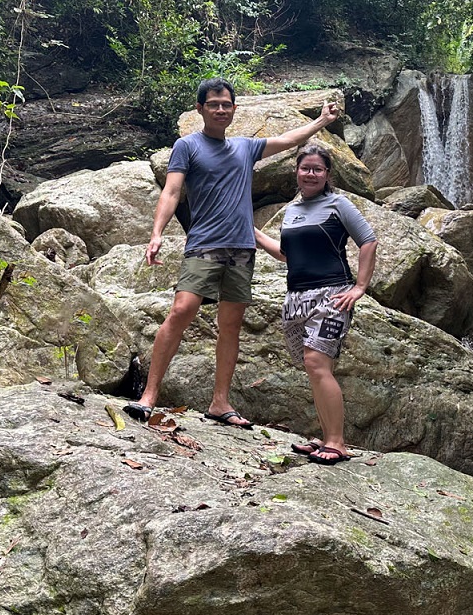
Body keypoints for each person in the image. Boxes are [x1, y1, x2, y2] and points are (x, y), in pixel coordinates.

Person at [123, 78, 339, 428]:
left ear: (234, 108)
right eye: (213, 104)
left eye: (226, 104)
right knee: (181, 310)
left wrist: (321, 121)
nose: (221, 110)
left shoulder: (245, 148)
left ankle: (220, 402)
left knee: (231, 326)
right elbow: (172, 191)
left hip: (241, 248)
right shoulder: (187, 146)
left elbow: (288, 141)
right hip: (204, 243)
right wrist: (157, 233)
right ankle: (148, 396)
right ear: (200, 109)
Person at [254, 144, 377, 464]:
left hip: (332, 295)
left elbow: (369, 241)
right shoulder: (292, 210)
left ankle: (337, 442)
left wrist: (360, 286)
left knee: (317, 364)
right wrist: (254, 233)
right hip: (296, 297)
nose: (310, 174)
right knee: (315, 368)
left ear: (327, 174)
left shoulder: (338, 204)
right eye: (305, 168)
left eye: (317, 169)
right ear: (296, 171)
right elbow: (285, 254)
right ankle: (326, 436)